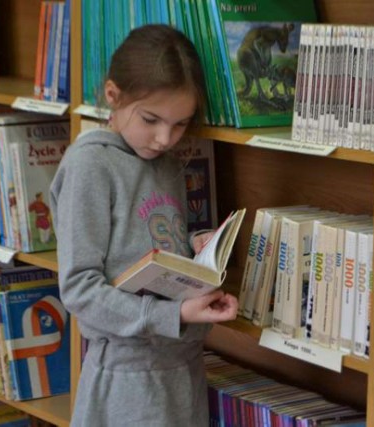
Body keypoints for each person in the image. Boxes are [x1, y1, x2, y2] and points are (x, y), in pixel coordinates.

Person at [50, 24, 238, 427]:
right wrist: (176, 315)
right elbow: (80, 288)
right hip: (126, 376)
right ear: (113, 95)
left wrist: (195, 245)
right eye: (151, 119)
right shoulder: (91, 166)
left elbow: (147, 240)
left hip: (181, 366)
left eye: (181, 124)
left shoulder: (165, 162)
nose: (165, 138)